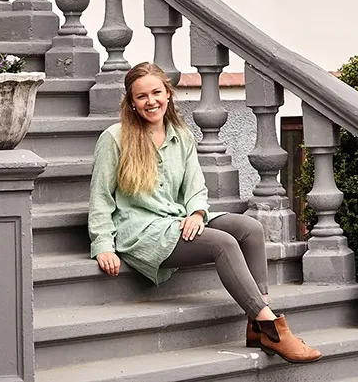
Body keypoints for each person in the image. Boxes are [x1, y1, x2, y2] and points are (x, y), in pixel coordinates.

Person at [88, 62, 322, 363]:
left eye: (156, 92)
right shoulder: (114, 138)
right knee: (222, 243)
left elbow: (195, 186)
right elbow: (100, 197)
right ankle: (271, 326)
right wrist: (103, 245)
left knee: (250, 228)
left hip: (175, 217)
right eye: (142, 96)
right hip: (142, 230)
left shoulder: (180, 135)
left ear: (168, 94)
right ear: (131, 102)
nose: (151, 101)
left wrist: (197, 214)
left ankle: (256, 322)